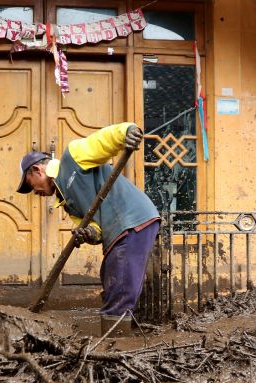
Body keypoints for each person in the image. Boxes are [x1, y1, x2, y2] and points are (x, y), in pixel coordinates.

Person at [16, 123, 160, 336]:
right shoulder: (67, 203)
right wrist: (89, 234)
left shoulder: (72, 157)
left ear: (38, 170)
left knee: (120, 277)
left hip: (133, 219)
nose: (34, 193)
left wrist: (126, 132)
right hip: (118, 230)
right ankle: (123, 330)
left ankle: (116, 342)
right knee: (110, 273)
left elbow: (103, 141)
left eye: (30, 186)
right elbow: (95, 228)